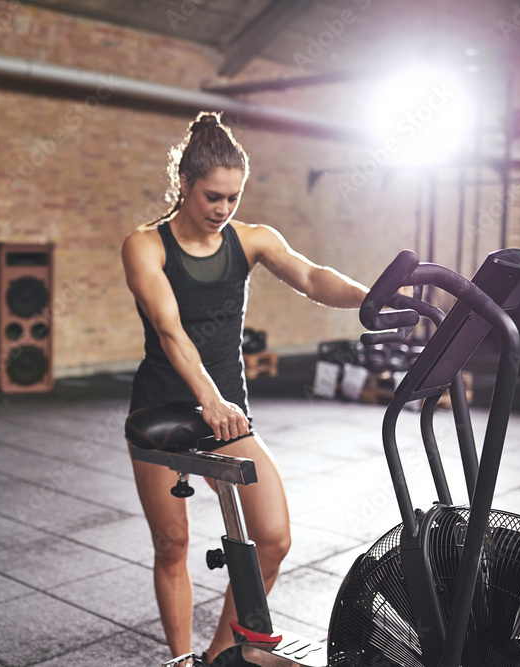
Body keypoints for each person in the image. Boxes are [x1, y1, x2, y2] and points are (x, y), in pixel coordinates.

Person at [122, 112, 369, 665]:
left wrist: (369, 297)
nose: (223, 208)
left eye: (233, 197)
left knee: (273, 538)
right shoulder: (145, 246)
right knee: (173, 544)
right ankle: (181, 658)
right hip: (163, 408)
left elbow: (311, 277)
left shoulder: (252, 239)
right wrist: (209, 396)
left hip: (226, 413)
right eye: (213, 196)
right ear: (184, 184)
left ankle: (217, 656)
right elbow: (170, 330)